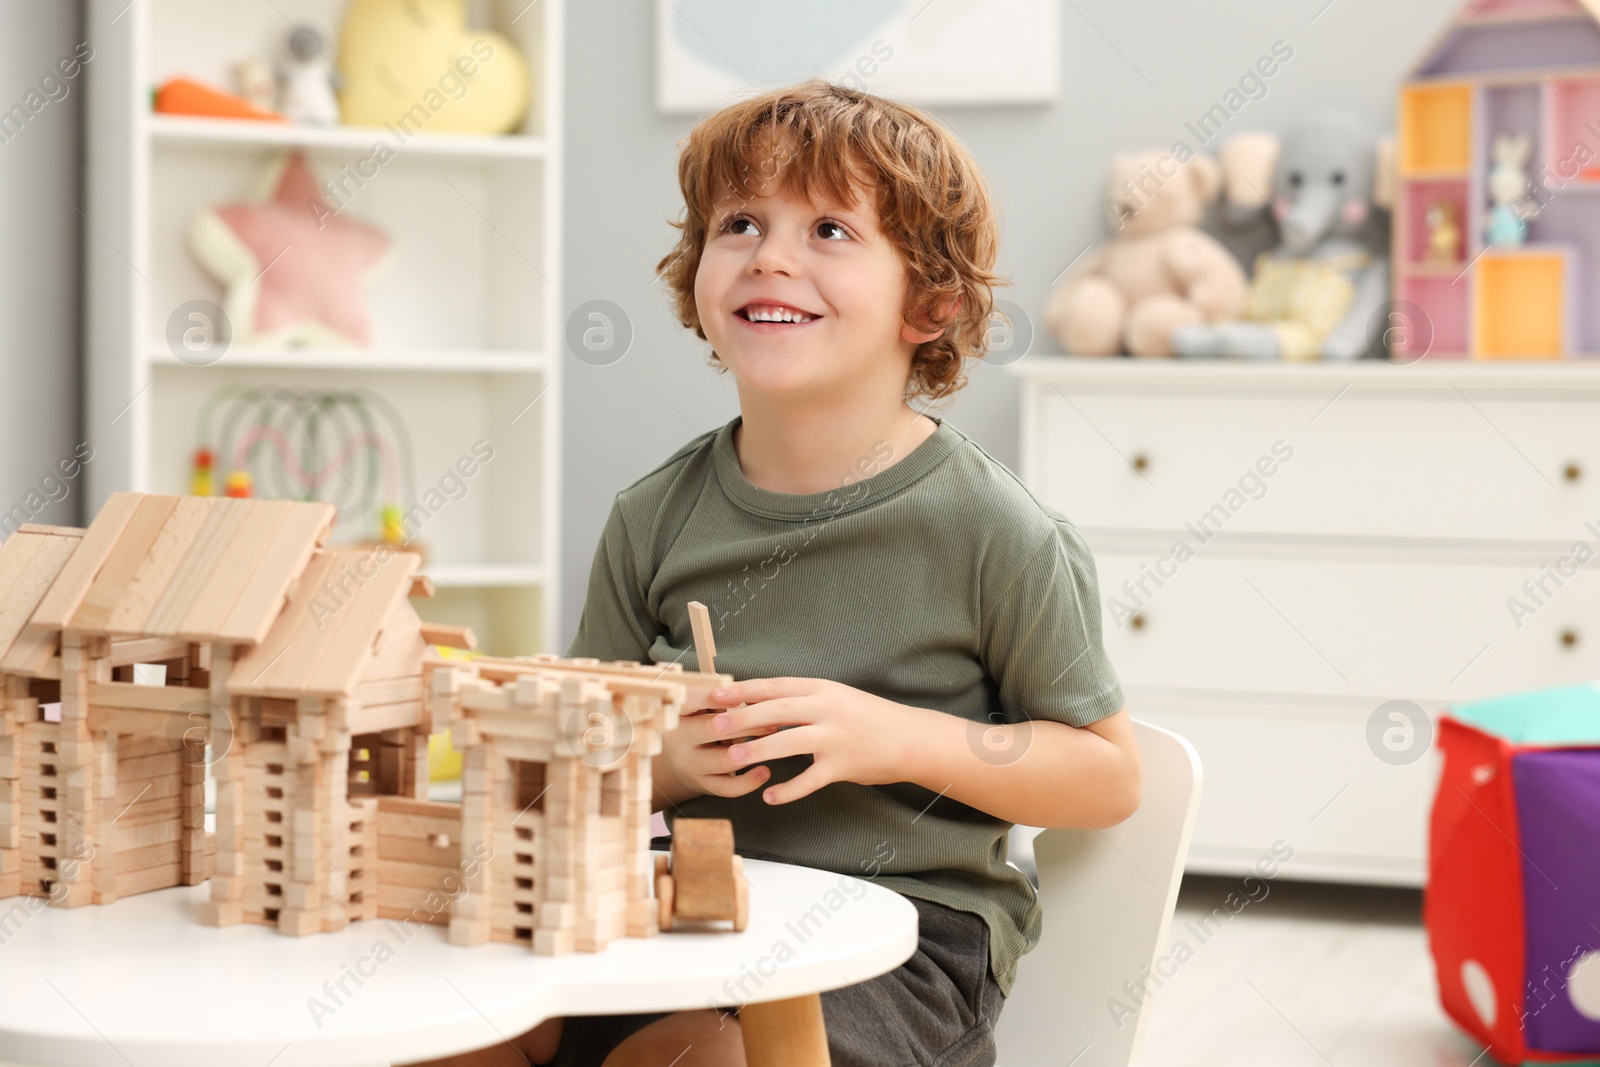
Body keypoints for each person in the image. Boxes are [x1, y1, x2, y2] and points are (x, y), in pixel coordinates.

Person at [422, 77, 1140, 1067]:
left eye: (831, 231)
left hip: (899, 940)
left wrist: (892, 737)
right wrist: (672, 762)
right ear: (699, 276)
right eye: (742, 221)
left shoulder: (994, 530)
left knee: (690, 1058)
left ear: (929, 302)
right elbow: (563, 769)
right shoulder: (653, 515)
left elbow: (1106, 775)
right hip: (686, 902)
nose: (771, 255)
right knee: (447, 1021)